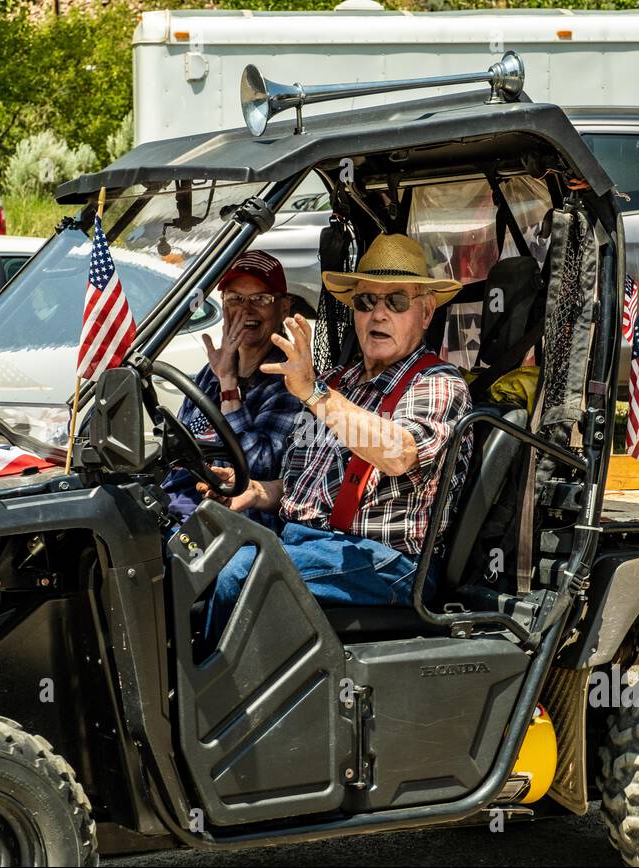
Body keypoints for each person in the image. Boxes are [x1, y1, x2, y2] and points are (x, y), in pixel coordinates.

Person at [200, 233, 473, 645]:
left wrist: (313, 393)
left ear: (425, 312)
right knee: (190, 552)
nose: (378, 315)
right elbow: (301, 488)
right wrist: (255, 492)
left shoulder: (436, 383)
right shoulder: (338, 382)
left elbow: (398, 454)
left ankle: (212, 700)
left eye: (396, 301)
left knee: (243, 574)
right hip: (308, 544)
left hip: (388, 563)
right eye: (366, 302)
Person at [161, 251, 303, 523]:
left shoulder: (289, 378)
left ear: (283, 308)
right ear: (224, 305)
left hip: (241, 519)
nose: (245, 310)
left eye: (260, 299)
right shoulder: (213, 369)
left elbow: (259, 466)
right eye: (235, 299)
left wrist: (229, 387)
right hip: (184, 501)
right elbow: (181, 444)